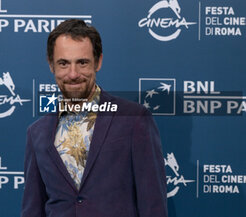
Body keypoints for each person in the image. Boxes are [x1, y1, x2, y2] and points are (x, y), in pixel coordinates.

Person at [21, 19, 167, 217]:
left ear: (98, 62)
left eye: (82, 62)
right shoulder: (37, 133)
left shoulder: (133, 120)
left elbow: (153, 206)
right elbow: (33, 210)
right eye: (63, 63)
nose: (73, 74)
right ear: (51, 65)